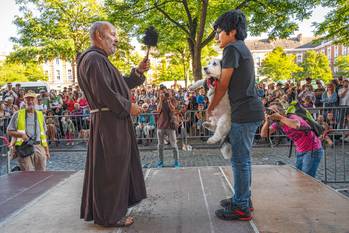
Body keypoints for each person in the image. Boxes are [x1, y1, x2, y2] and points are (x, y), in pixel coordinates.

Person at [78, 21, 149, 227]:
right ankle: (110, 216)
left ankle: (113, 210)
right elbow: (105, 93)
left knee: (114, 167)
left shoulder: (99, 60)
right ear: (99, 36)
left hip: (110, 121)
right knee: (111, 169)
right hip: (109, 123)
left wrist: (137, 72)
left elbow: (119, 85)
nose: (116, 39)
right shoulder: (93, 59)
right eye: (113, 34)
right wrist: (129, 107)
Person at [208, 10, 264, 221]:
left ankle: (241, 207)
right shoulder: (241, 48)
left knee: (239, 161)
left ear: (232, 32)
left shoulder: (231, 49)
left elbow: (223, 84)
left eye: (220, 32)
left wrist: (211, 107)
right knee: (243, 160)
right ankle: (243, 198)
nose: (217, 37)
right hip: (250, 110)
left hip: (245, 112)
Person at [261, 103, 324, 178]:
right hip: (300, 151)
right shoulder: (278, 124)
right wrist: (267, 121)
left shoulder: (292, 116)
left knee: (307, 178)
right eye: (270, 111)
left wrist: (280, 117)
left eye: (273, 111)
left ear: (281, 112)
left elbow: (296, 125)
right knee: (299, 176)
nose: (272, 114)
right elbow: (264, 134)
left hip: (313, 150)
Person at [7, 90, 50, 171]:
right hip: (24, 147)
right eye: (28, 99)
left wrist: (47, 150)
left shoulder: (40, 115)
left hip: (39, 147)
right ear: (24, 101)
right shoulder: (17, 114)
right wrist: (21, 135)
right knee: (28, 174)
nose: (30, 101)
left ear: (36, 101)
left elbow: (43, 134)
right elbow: (9, 131)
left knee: (41, 174)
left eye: (32, 99)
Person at [156, 89, 180, 168]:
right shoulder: (161, 100)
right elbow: (158, 110)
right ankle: (160, 162)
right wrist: (160, 100)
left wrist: (169, 101)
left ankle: (176, 162)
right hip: (161, 125)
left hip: (170, 125)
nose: (166, 94)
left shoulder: (173, 100)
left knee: (174, 145)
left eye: (167, 92)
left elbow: (173, 109)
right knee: (160, 145)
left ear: (171, 93)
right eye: (164, 92)